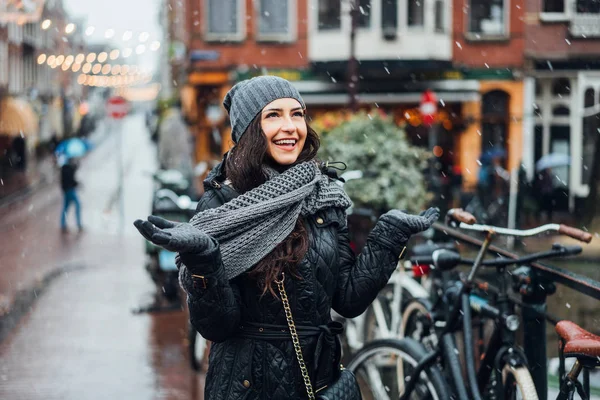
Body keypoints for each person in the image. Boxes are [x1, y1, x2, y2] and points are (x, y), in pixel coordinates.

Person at [134, 76, 439, 400]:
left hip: (319, 380)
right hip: (249, 386)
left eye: (297, 114)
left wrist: (390, 235)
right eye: (274, 115)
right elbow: (217, 327)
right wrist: (204, 262)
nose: (291, 126)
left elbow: (347, 299)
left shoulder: (325, 194)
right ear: (250, 130)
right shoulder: (223, 203)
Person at [60, 158, 82, 232]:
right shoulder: (68, 169)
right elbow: (71, 180)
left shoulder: (65, 168)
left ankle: (63, 224)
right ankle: (78, 224)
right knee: (78, 205)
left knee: (66, 207)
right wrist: (78, 184)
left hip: (66, 190)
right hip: (70, 190)